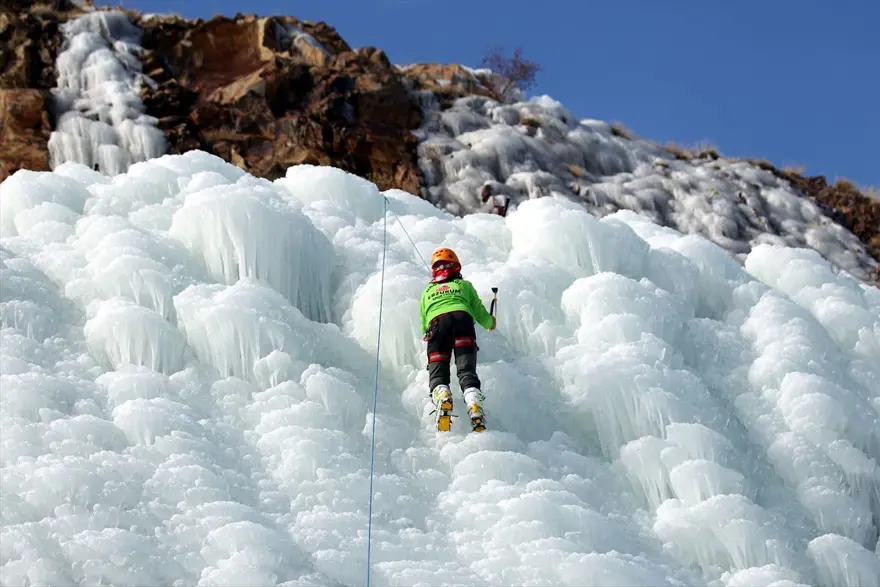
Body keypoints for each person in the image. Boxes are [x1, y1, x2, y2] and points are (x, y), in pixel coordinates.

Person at [420, 247, 496, 432]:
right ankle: (473, 404)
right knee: (466, 372)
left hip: (436, 326)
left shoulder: (427, 292)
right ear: (456, 268)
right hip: (463, 322)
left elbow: (424, 323)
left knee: (438, 374)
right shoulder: (464, 286)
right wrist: (490, 322)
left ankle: (443, 395)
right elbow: (478, 310)